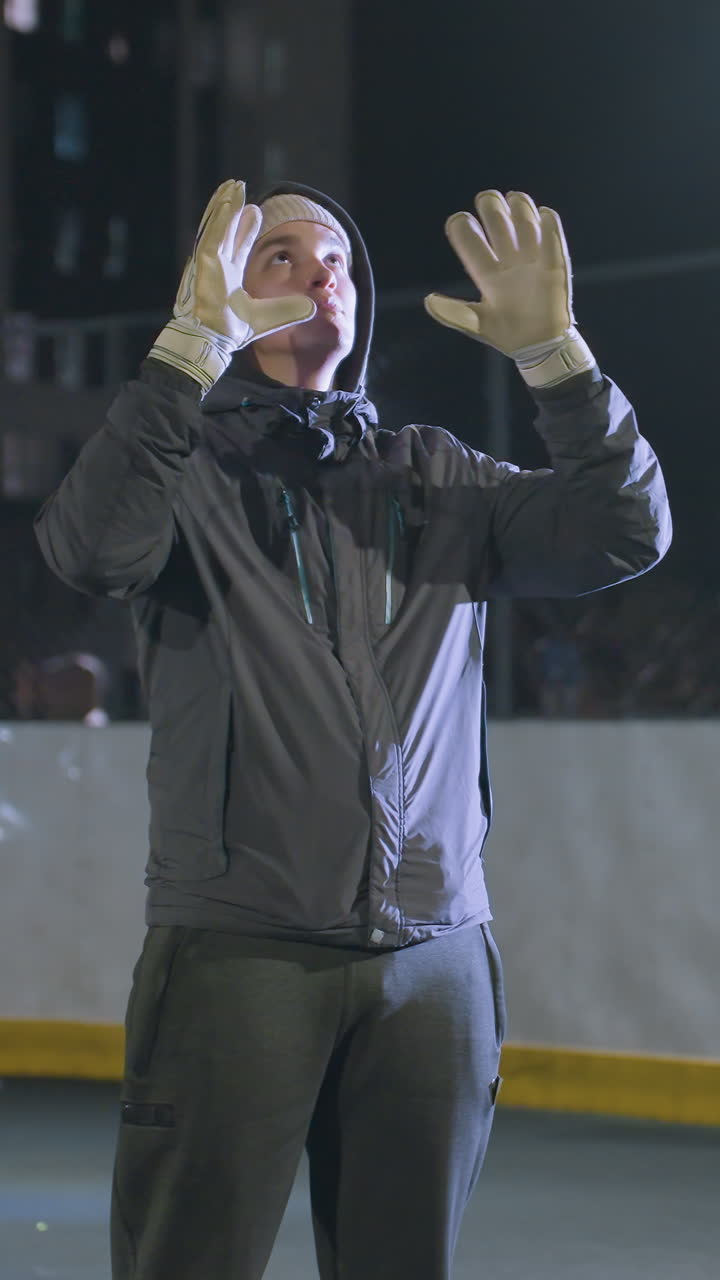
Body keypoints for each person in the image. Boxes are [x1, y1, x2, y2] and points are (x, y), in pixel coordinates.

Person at [33, 178, 672, 1279]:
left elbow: (625, 530)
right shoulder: (181, 472)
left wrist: (558, 362)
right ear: (223, 289)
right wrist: (186, 354)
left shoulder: (439, 473)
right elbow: (89, 550)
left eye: (336, 260)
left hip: (436, 956)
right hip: (241, 946)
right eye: (280, 255)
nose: (321, 274)